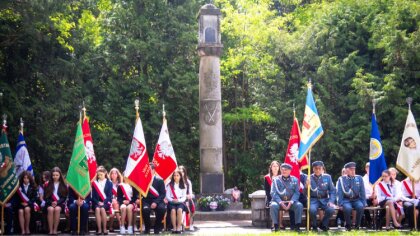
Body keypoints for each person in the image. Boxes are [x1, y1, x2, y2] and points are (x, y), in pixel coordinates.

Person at [269, 163, 303, 232]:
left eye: (286, 170)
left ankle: (297, 227)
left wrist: (292, 201)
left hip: (291, 202)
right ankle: (276, 226)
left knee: (299, 205)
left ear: (290, 171)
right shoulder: (276, 180)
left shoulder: (295, 180)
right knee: (273, 205)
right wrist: (280, 202)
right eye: (282, 169)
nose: (284, 171)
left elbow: (297, 192)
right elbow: (273, 192)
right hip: (279, 202)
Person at [305, 161, 336, 232]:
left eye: (320, 168)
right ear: (313, 169)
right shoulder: (309, 177)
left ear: (322, 169)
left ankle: (323, 224)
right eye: (316, 168)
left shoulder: (327, 177)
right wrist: (306, 186)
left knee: (331, 209)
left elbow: (332, 191)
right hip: (313, 200)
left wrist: (331, 201)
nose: (318, 170)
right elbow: (305, 193)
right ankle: (315, 226)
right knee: (312, 210)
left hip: (324, 199)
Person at [337, 162, 366, 231]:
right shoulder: (341, 179)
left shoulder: (359, 178)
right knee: (347, 208)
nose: (353, 171)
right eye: (351, 170)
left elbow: (362, 191)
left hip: (356, 199)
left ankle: (357, 225)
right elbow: (339, 192)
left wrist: (363, 202)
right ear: (346, 170)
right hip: (346, 200)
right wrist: (340, 203)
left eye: (354, 169)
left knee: (360, 207)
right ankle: (348, 225)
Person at [142, 162, 166, 234]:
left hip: (157, 200)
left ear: (153, 170)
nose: (148, 172)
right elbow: (139, 192)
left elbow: (162, 194)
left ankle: (157, 227)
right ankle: (147, 228)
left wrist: (156, 202)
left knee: (162, 209)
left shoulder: (160, 180)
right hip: (147, 200)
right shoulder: (143, 180)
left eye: (150, 170)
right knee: (145, 210)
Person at [44, 167, 68, 235]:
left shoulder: (63, 184)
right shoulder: (47, 184)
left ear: (60, 175)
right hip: (49, 203)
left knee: (57, 209)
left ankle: (55, 229)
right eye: (53, 175)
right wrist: (51, 202)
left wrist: (57, 202)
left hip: (60, 203)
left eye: (57, 175)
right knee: (50, 209)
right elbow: (45, 197)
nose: (55, 177)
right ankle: (50, 230)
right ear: (51, 175)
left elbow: (64, 197)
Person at [91, 166, 113, 235]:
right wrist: (98, 202)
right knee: (97, 209)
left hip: (106, 202)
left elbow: (110, 196)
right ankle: (99, 230)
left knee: (103, 209)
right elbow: (93, 197)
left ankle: (104, 229)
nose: (100, 176)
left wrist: (104, 202)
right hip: (96, 202)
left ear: (105, 173)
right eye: (98, 175)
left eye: (101, 174)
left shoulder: (109, 183)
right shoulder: (95, 183)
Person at [166, 168, 187, 234]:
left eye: (177, 175)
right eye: (174, 175)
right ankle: (174, 228)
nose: (176, 177)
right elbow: (167, 196)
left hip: (180, 202)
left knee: (179, 210)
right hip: (172, 202)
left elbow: (184, 197)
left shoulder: (184, 185)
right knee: (173, 211)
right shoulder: (170, 185)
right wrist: (172, 200)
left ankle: (178, 228)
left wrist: (178, 200)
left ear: (180, 176)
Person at [178, 165, 195, 231]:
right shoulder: (175, 181)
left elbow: (190, 192)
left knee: (192, 207)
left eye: (183, 172)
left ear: (185, 173)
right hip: (179, 199)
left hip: (187, 198)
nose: (181, 173)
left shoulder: (188, 181)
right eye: (180, 171)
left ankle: (191, 224)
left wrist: (189, 195)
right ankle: (181, 225)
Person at [362, 162, 378, 228]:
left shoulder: (377, 178)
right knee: (364, 204)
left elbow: (380, 189)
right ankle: (369, 221)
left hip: (376, 197)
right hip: (367, 198)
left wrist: (376, 197)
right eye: (369, 168)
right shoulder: (363, 179)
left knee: (384, 204)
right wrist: (369, 196)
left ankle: (378, 221)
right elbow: (362, 193)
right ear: (366, 169)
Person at [108, 168, 122, 232]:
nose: (113, 175)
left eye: (115, 173)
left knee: (115, 204)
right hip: (110, 201)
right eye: (112, 173)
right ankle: (120, 224)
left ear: (118, 175)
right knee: (114, 203)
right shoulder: (108, 183)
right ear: (110, 175)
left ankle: (111, 226)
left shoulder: (120, 183)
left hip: (119, 201)